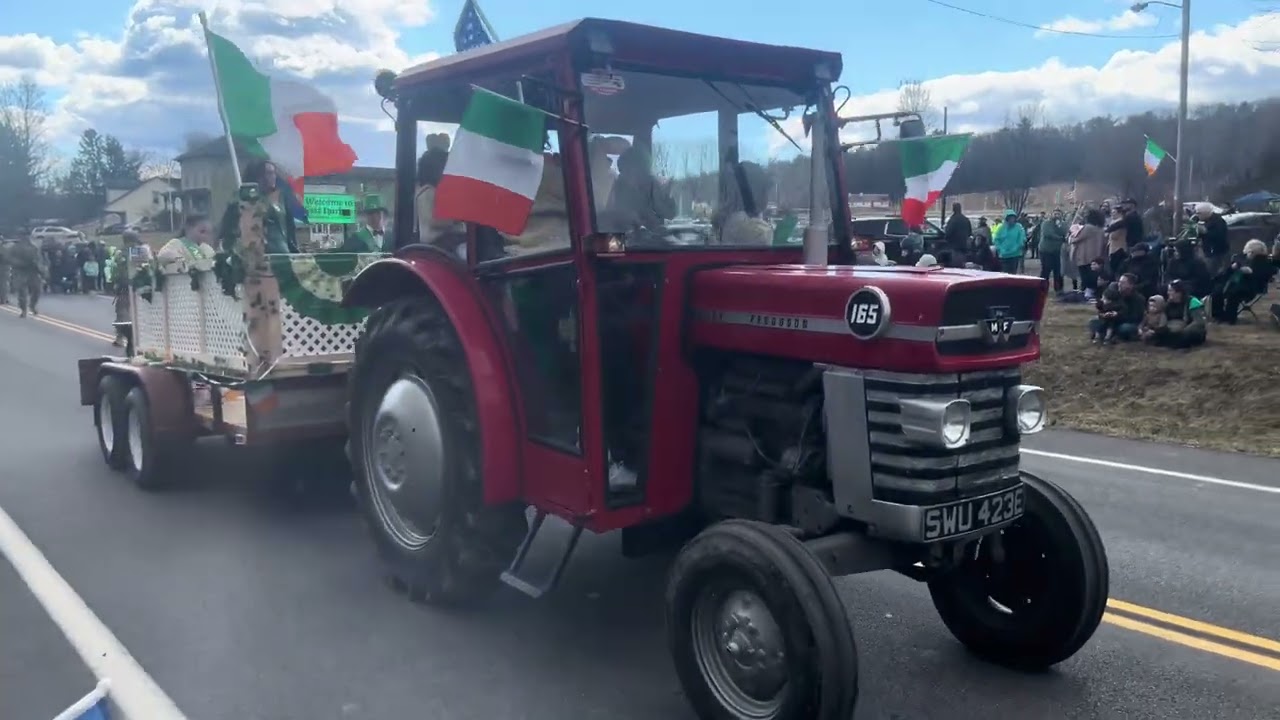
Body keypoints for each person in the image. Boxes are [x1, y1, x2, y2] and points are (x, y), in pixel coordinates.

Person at [221, 160, 298, 254]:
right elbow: (229, 227)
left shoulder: (281, 198)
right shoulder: (242, 198)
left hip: (280, 253)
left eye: (274, 173)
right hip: (254, 253)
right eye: (269, 173)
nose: (273, 177)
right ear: (259, 176)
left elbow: (289, 229)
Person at [1210, 239, 1278, 324]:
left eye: (1248, 253)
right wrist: (1233, 268)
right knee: (1218, 291)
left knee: (1233, 293)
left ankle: (1228, 318)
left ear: (1252, 252)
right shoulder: (1246, 260)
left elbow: (1264, 275)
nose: (1246, 255)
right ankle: (1220, 316)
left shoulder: (1264, 262)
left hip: (1251, 288)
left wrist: (1250, 272)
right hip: (1240, 285)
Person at [713, 161, 773, 246]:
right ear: (753, 192)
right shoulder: (755, 231)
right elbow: (765, 238)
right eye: (764, 189)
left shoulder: (731, 220)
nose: (767, 196)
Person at [1147, 279, 1207, 348]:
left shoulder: (1192, 301)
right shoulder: (1169, 304)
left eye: (1170, 291)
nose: (1168, 293)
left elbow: (1198, 322)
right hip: (1174, 330)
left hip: (1189, 331)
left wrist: (1183, 331)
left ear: (1179, 293)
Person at [1070, 208, 1106, 299]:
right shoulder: (1100, 229)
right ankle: (1091, 291)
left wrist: (1071, 237)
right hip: (1097, 254)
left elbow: (1076, 238)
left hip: (1085, 255)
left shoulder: (1088, 228)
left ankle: (1088, 291)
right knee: (1093, 274)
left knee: (1085, 275)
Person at [8, 233, 48, 317]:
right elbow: (10, 259)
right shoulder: (15, 248)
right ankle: (23, 309)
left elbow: (39, 260)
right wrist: (20, 264)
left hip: (32, 271)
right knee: (22, 292)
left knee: (37, 289)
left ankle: (32, 305)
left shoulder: (34, 248)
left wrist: (42, 271)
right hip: (20, 272)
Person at [1192, 202, 1229, 275]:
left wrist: (1206, 232)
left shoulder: (1218, 221)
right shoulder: (1206, 221)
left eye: (1199, 213)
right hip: (1209, 251)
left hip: (1216, 252)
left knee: (1212, 272)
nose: (1197, 215)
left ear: (1205, 213)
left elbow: (1220, 237)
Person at [1038, 210, 1067, 292]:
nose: (1057, 215)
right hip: (1046, 250)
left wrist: (1060, 226)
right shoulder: (1046, 223)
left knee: (1058, 271)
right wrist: (1061, 238)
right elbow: (1048, 234)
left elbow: (1066, 232)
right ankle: (1042, 288)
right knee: (1046, 270)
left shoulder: (1063, 224)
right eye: (1055, 213)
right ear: (1052, 214)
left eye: (1059, 214)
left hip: (1057, 251)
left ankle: (1059, 288)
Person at [993, 209, 1026, 274]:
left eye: (1013, 218)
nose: (1012, 220)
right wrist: (1000, 248)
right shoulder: (1001, 228)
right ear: (1006, 218)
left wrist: (1018, 246)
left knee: (1013, 273)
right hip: (1004, 255)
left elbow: (1022, 238)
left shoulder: (1018, 227)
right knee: (1005, 273)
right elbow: (996, 239)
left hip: (1015, 254)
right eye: (1010, 218)